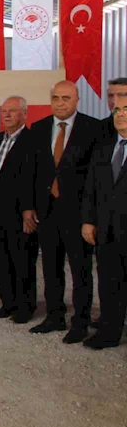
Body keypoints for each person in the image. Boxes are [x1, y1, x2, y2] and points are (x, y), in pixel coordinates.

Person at [22, 80, 100, 344]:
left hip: (78, 213)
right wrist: (28, 207)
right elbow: (31, 172)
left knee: (80, 270)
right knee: (51, 267)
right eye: (56, 97)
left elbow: (95, 178)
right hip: (47, 211)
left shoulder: (94, 128)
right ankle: (54, 316)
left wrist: (91, 217)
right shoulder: (40, 128)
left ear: (77, 100)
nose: (60, 102)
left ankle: (80, 322)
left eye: (66, 98)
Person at [81, 95, 127, 349]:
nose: (120, 113)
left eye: (126, 109)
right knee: (110, 283)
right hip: (107, 230)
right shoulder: (104, 148)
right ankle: (109, 333)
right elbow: (91, 189)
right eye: (117, 109)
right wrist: (88, 221)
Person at [0, 97, 39, 324]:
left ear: (24, 114)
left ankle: (25, 307)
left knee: (23, 260)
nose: (7, 115)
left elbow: (35, 179)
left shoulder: (34, 141)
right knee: (2, 259)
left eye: (12, 111)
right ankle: (7, 302)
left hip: (21, 214)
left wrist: (30, 210)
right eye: (4, 111)